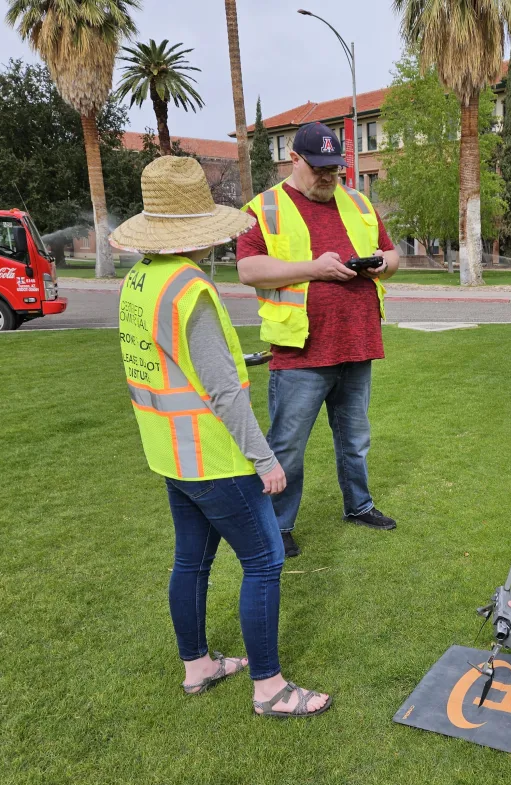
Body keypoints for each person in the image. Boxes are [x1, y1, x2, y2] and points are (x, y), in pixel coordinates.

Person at [110, 156, 330, 717]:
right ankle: (270, 688)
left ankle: (198, 666)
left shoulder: (140, 278)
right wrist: (266, 461)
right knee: (265, 559)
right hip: (214, 457)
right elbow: (224, 394)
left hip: (169, 453)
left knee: (192, 561)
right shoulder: (191, 289)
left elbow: (172, 363)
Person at [237, 122, 400, 559]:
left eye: (335, 169)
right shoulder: (264, 207)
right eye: (320, 168)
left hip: (358, 343)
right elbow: (248, 270)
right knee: (288, 443)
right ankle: (279, 525)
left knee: (355, 439)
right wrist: (315, 268)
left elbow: (392, 253)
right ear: (294, 160)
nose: (329, 177)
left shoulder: (359, 201)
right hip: (301, 352)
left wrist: (381, 263)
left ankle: (359, 506)